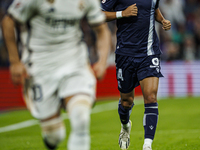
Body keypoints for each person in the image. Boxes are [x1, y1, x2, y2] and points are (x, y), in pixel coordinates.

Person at [2, 0, 110, 149]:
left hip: (74, 62)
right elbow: (8, 21)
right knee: (55, 136)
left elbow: (102, 29)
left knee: (81, 118)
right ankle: (51, 136)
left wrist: (102, 61)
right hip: (40, 66)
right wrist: (15, 62)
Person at [101, 0, 171, 150]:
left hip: (149, 53)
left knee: (151, 96)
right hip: (124, 54)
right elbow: (99, 15)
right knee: (127, 101)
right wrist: (122, 13)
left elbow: (154, 8)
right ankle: (125, 126)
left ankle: (147, 145)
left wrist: (163, 20)